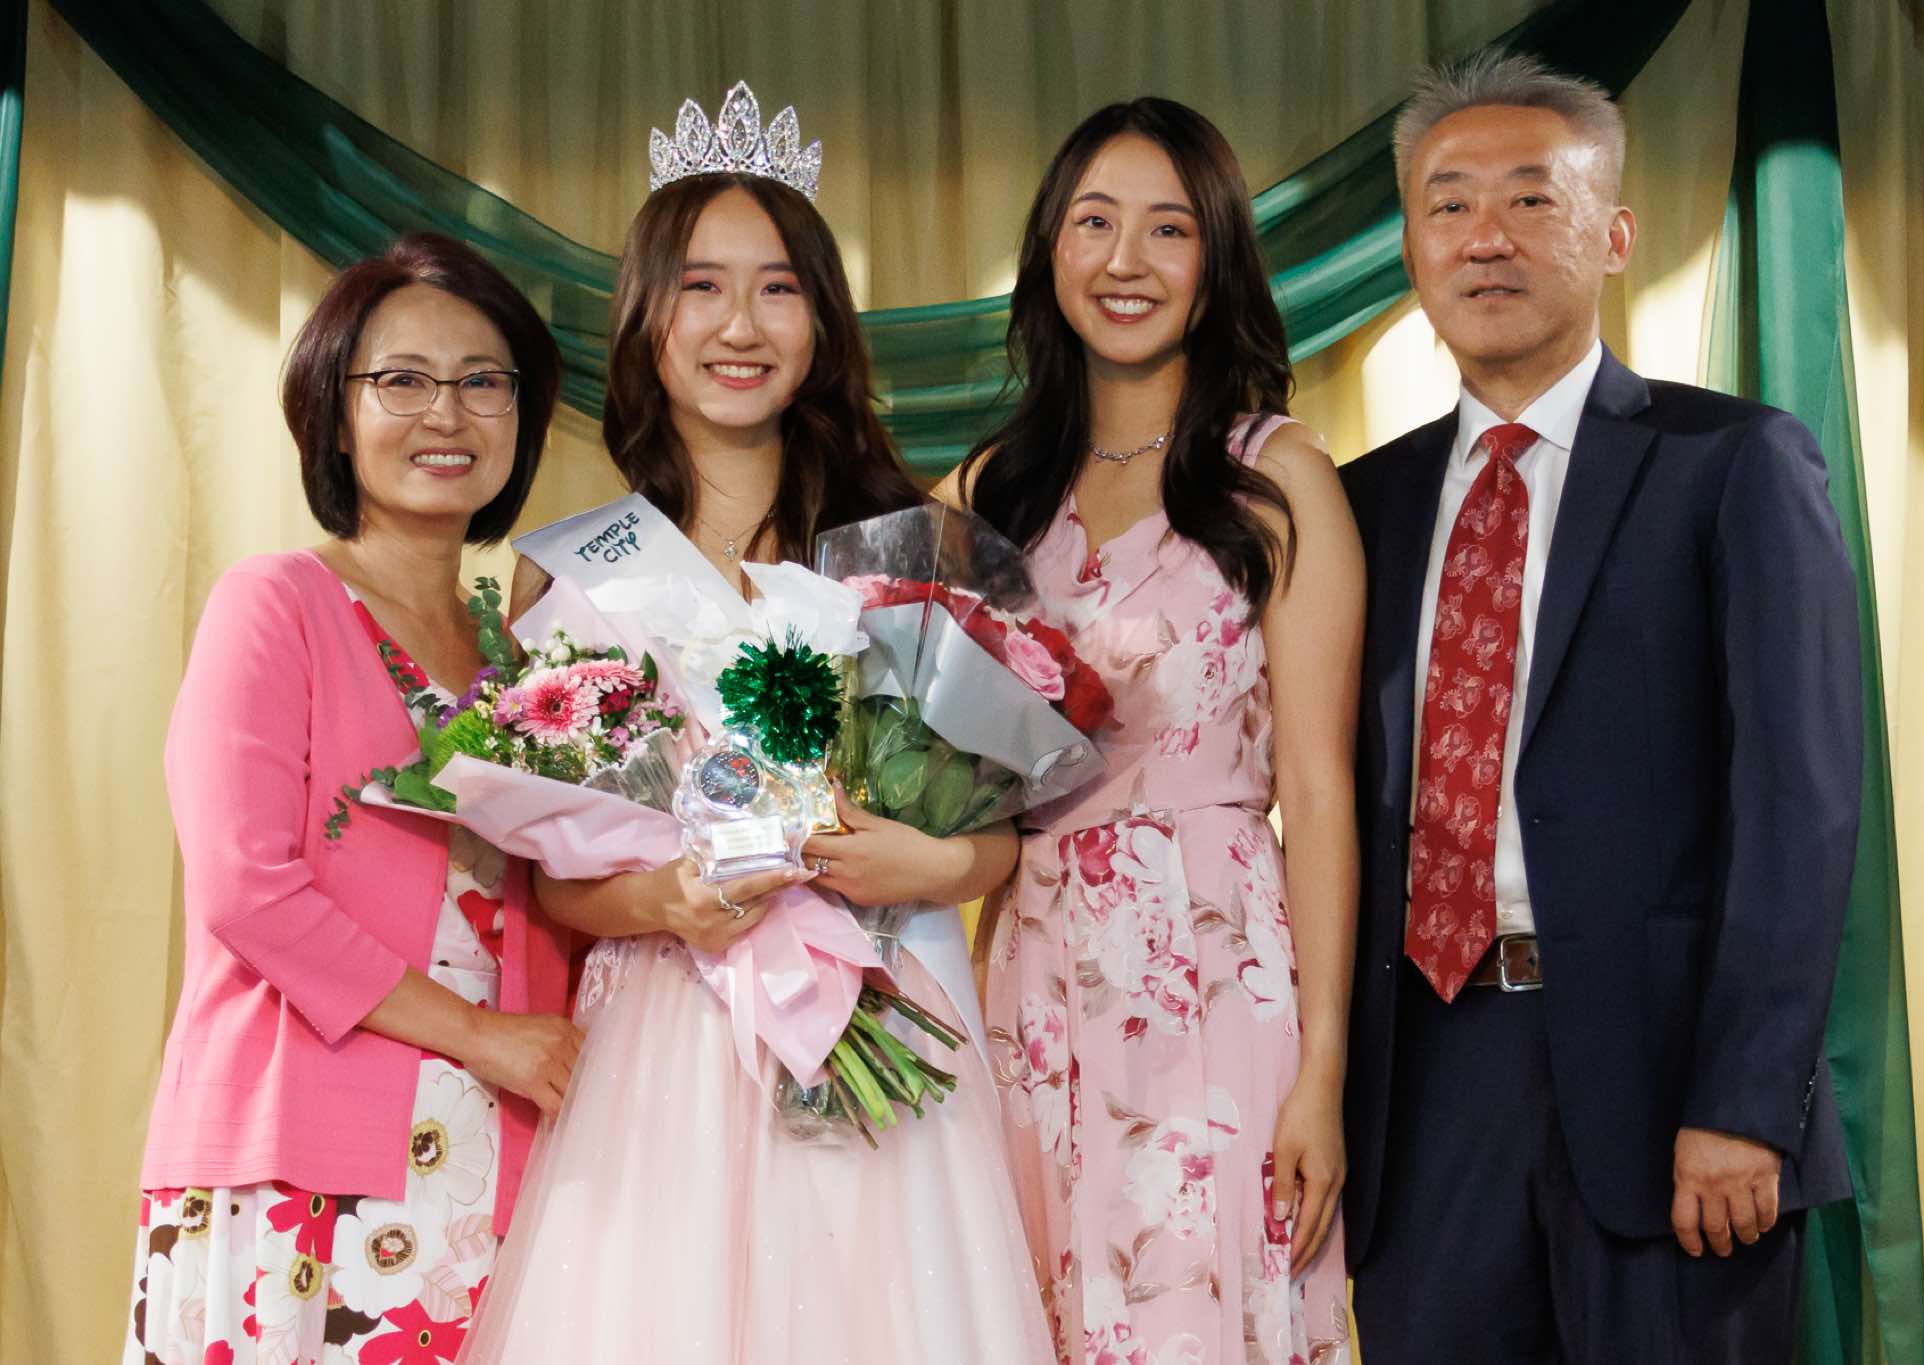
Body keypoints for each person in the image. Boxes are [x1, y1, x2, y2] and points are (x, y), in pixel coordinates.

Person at [455, 85, 1056, 1365]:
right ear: (646, 319)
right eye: (701, 288)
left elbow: (1004, 834)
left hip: (887, 998)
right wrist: (664, 900)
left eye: (778, 288)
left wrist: (929, 862)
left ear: (822, 322)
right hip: (671, 1032)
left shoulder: (911, 551)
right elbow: (552, 878)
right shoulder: (569, 564)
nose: (740, 325)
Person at [1339, 48, 1862, 1362]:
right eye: (1449, 204)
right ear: (1410, 247)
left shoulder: (1731, 462)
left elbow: (1797, 808)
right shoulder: (1359, 504)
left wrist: (1745, 1100)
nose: (1486, 236)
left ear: (1615, 236)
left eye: (1532, 198)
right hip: (1423, 1087)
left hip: (1671, 1089)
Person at [123, 233, 580, 1364]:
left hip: (493, 1159)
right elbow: (244, 888)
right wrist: (480, 1037)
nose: (447, 414)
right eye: (403, 380)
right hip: (298, 1162)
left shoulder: (530, 656)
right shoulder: (275, 602)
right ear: (335, 413)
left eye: (483, 381)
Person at [955, 97, 1362, 1364]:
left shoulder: (1275, 477)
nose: (1124, 261)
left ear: (1215, 257)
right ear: (1049, 249)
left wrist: (1322, 1069)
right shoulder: (986, 491)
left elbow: (1318, 788)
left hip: (1213, 959)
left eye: (1167, 228)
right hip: (1029, 963)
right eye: (1093, 223)